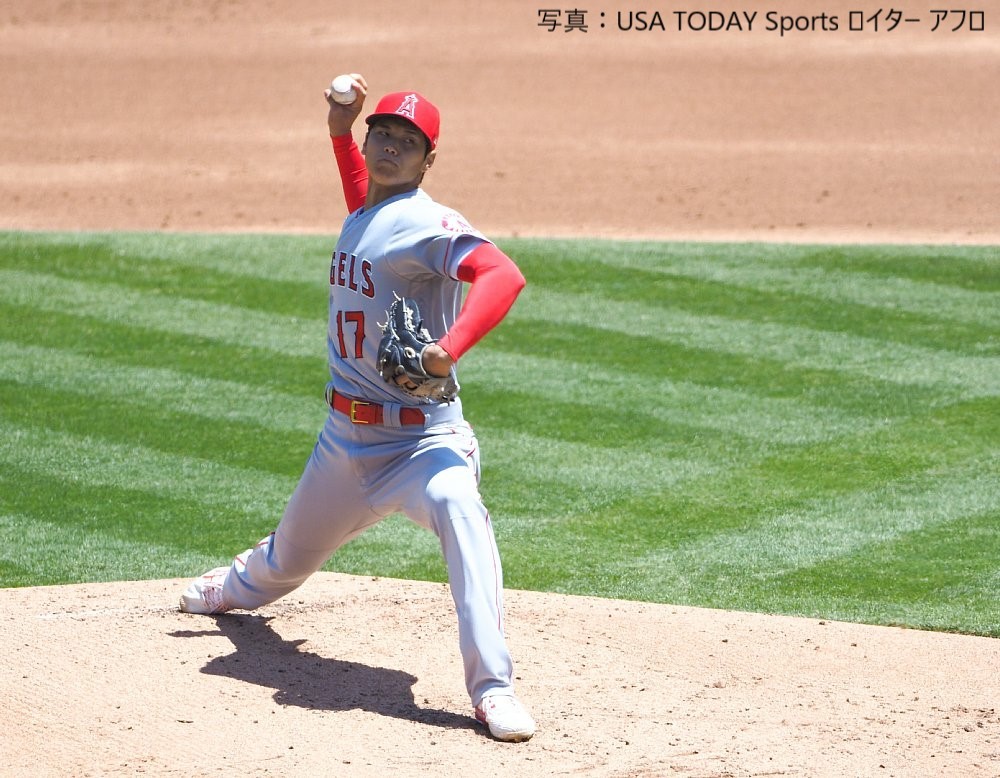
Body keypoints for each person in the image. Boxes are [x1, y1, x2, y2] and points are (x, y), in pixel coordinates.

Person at [178, 73, 536, 742]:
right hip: (345, 443)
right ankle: (230, 587)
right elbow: (365, 201)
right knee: (286, 563)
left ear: (430, 160)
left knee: (461, 510)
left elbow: (502, 275)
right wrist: (342, 128)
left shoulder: (428, 222)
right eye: (384, 134)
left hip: (424, 442)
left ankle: (493, 690)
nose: (391, 147)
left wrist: (446, 351)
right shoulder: (368, 212)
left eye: (408, 141)